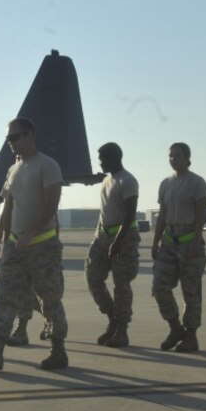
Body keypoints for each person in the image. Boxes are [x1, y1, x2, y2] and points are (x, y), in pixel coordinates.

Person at [0, 118, 68, 371]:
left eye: (15, 137)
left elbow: (51, 205)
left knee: (49, 298)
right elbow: (7, 209)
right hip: (15, 245)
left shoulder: (48, 166)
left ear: (30, 135)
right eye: (8, 139)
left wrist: (31, 233)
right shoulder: (13, 170)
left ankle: (58, 350)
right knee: (5, 295)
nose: (11, 143)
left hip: (42, 245)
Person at [151, 142, 206, 352]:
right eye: (170, 156)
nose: (173, 159)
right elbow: (163, 215)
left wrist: (195, 242)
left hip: (189, 242)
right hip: (169, 241)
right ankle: (175, 328)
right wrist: (155, 241)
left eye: (177, 156)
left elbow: (201, 214)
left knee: (191, 292)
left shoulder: (197, 183)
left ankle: (191, 335)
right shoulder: (166, 183)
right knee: (159, 287)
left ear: (187, 158)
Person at [85, 142, 139, 347]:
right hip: (102, 236)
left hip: (123, 239)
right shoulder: (107, 180)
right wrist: (98, 237)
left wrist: (117, 242)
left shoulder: (128, 181)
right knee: (92, 278)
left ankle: (122, 330)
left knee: (121, 284)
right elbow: (104, 212)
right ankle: (113, 320)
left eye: (102, 158)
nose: (100, 162)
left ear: (114, 158)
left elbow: (130, 214)